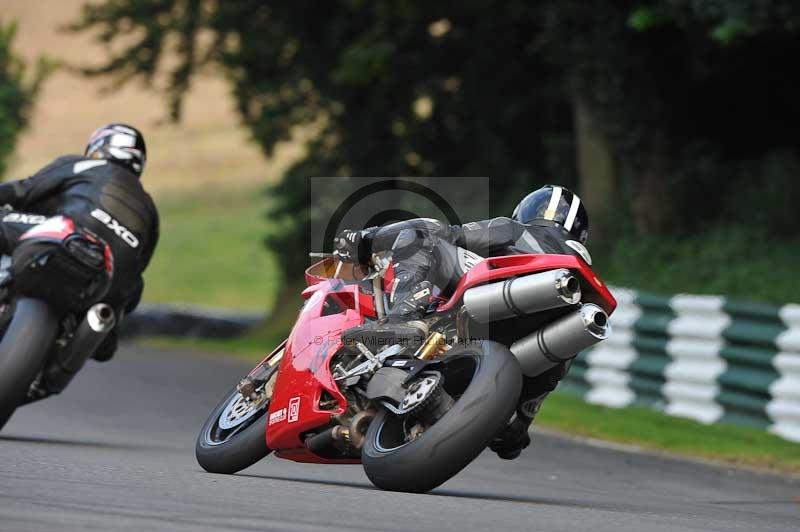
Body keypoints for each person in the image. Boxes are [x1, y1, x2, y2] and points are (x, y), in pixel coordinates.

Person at [333, 184, 591, 460]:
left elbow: (449, 234)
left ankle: (403, 318)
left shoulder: (514, 230)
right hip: (537, 342)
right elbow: (516, 436)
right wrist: (517, 427)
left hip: (501, 296)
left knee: (422, 235)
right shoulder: (582, 279)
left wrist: (365, 241)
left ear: (526, 212)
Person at [0, 123, 159, 362]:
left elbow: (23, 191)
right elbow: (138, 274)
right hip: (107, 282)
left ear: (99, 146)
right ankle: (71, 352)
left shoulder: (85, 165)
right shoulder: (151, 211)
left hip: (67, 237)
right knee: (109, 335)